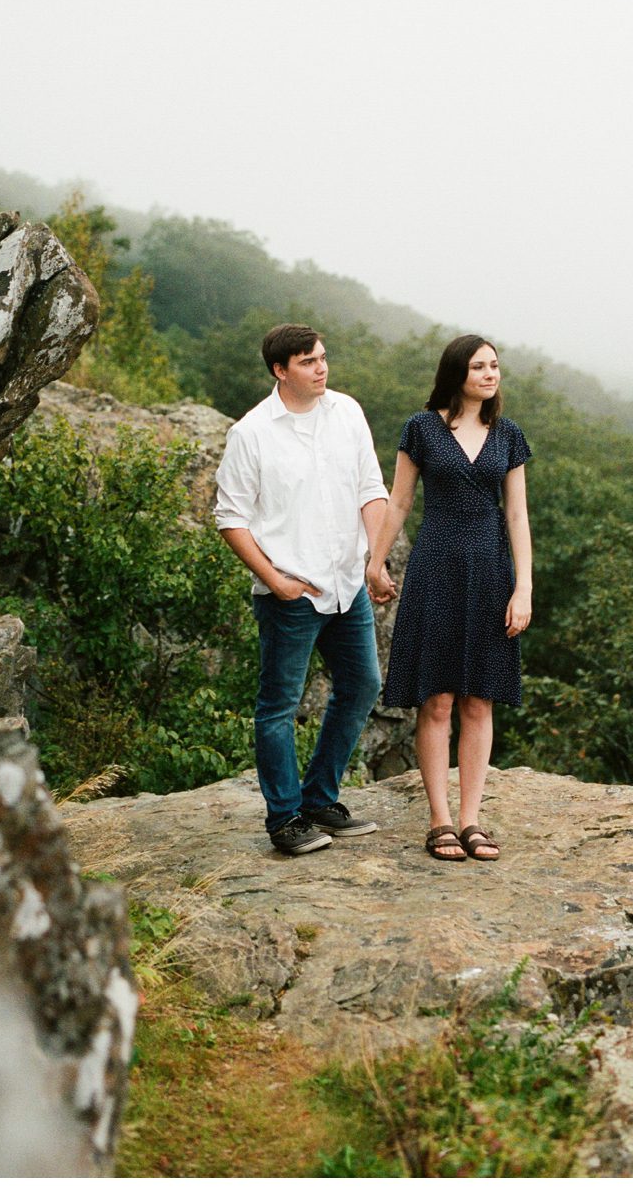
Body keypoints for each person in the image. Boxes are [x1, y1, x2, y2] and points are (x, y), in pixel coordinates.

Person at [213, 323, 390, 856]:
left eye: (323, 357)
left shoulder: (347, 412)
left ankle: (318, 799)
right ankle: (284, 819)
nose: (322, 368)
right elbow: (230, 517)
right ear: (279, 370)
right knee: (278, 707)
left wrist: (374, 560)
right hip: (291, 593)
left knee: (362, 686)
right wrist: (276, 582)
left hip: (345, 585)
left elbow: (370, 489)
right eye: (309, 361)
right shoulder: (252, 433)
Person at [370, 335, 533, 863]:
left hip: (489, 570)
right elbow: (399, 501)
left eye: (495, 366)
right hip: (435, 565)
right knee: (437, 697)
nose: (491, 374)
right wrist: (376, 560)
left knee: (480, 698)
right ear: (456, 372)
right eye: (479, 366)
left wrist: (523, 587)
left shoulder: (507, 435)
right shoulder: (421, 428)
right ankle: (439, 820)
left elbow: (517, 516)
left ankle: (471, 820)